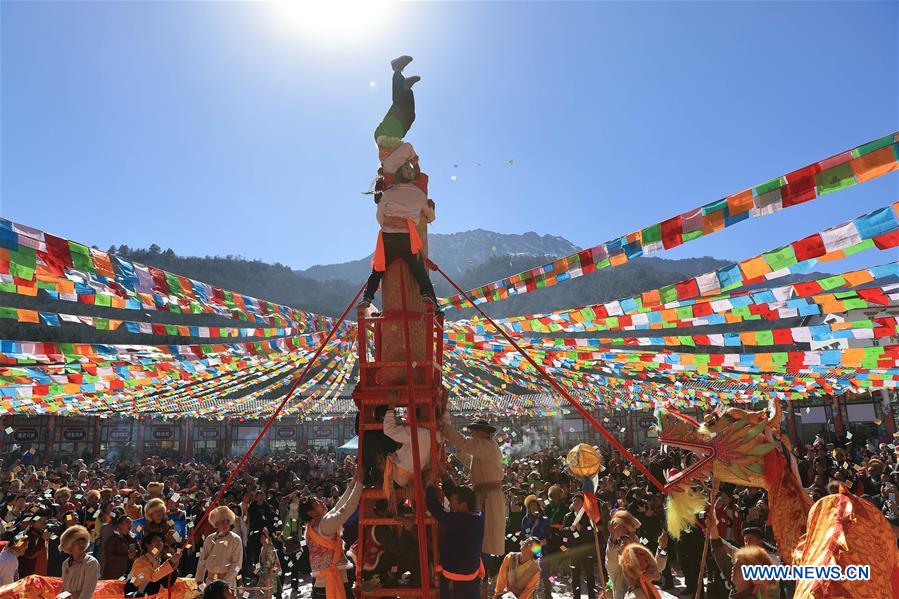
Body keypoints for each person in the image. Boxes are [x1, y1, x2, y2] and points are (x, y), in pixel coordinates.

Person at [359, 56, 439, 311]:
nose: (410, 167)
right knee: (409, 113)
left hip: (385, 137)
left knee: (403, 110)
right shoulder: (400, 181)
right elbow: (425, 214)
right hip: (386, 137)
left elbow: (381, 216)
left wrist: (416, 167)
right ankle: (401, 80)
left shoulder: (397, 167)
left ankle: (398, 76)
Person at [441, 417, 506, 558]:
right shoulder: (487, 447)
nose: (472, 436)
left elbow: (465, 443)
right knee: (483, 537)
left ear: (482, 434)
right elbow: (472, 462)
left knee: (484, 537)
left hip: (488, 498)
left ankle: (483, 569)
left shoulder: (487, 445)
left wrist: (444, 428)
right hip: (486, 496)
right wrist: (459, 451)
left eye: (474, 433)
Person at [299, 472, 363, 599]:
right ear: (311, 513)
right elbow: (347, 508)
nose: (321, 501)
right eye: (316, 503)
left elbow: (338, 507)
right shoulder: (325, 524)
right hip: (331, 583)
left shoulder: (312, 526)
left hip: (321, 585)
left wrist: (352, 485)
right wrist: (360, 483)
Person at [425, 477, 485, 599]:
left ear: (463, 504)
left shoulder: (456, 521)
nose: (450, 502)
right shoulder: (478, 517)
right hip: (472, 578)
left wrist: (429, 485)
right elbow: (458, 496)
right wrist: (444, 476)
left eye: (452, 500)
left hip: (455, 580)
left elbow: (434, 507)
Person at [383, 405, 440, 507]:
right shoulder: (439, 435)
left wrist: (391, 407)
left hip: (398, 479)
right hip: (421, 479)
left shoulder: (417, 432)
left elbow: (388, 429)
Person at [605, 511, 667, 599]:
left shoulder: (641, 560)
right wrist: (612, 538)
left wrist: (662, 548)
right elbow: (610, 560)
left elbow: (658, 567)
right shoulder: (617, 568)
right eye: (620, 542)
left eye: (627, 542)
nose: (623, 543)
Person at [196, 505, 243, 589]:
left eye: (227, 521)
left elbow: (237, 564)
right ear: (216, 524)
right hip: (210, 582)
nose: (225, 524)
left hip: (226, 584)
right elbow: (202, 560)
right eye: (222, 522)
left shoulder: (235, 539)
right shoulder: (209, 539)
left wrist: (224, 583)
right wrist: (199, 581)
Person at [125, 531, 182, 597]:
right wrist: (170, 562)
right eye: (156, 540)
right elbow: (152, 576)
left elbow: (166, 584)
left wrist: (174, 568)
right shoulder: (140, 562)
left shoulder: (158, 561)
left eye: (161, 541)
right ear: (147, 545)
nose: (159, 543)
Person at [564, 493, 597, 599]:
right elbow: (563, 531)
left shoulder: (588, 516)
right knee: (575, 575)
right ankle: (576, 596)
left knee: (589, 574)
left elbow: (593, 531)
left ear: (583, 504)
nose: (575, 503)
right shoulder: (568, 516)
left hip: (586, 549)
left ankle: (592, 596)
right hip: (574, 549)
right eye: (573, 501)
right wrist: (570, 529)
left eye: (577, 501)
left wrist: (582, 528)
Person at [59, 524, 100, 599]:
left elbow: (87, 591)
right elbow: (64, 587)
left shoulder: (91, 563)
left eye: (83, 542)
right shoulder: (66, 563)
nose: (81, 545)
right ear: (70, 546)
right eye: (78, 543)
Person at [102, 513, 134, 580]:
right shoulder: (113, 539)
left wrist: (135, 553)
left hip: (128, 574)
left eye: (131, 523)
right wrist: (127, 556)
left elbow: (137, 552)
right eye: (127, 522)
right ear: (120, 525)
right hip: (114, 574)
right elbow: (109, 557)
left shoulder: (132, 538)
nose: (130, 525)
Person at [258, 527, 282, 599]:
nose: (261, 539)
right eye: (261, 537)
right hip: (264, 574)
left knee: (267, 595)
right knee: (263, 594)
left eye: (262, 537)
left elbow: (269, 563)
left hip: (269, 574)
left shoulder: (270, 548)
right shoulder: (263, 547)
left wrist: (260, 569)